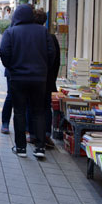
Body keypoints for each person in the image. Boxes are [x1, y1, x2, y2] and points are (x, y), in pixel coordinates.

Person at [0, 4, 54, 158]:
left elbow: (4, 52)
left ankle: (21, 148)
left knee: (19, 112)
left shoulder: (11, 32)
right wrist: (43, 69)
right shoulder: (43, 31)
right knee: (39, 112)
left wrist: (11, 67)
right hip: (39, 79)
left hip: (18, 78)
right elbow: (52, 53)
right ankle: (40, 148)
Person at [33, 9, 60, 148]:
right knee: (45, 108)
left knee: (32, 106)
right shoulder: (52, 38)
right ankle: (47, 135)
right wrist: (52, 78)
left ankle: (32, 134)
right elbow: (56, 62)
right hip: (47, 80)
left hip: (33, 78)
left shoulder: (31, 36)